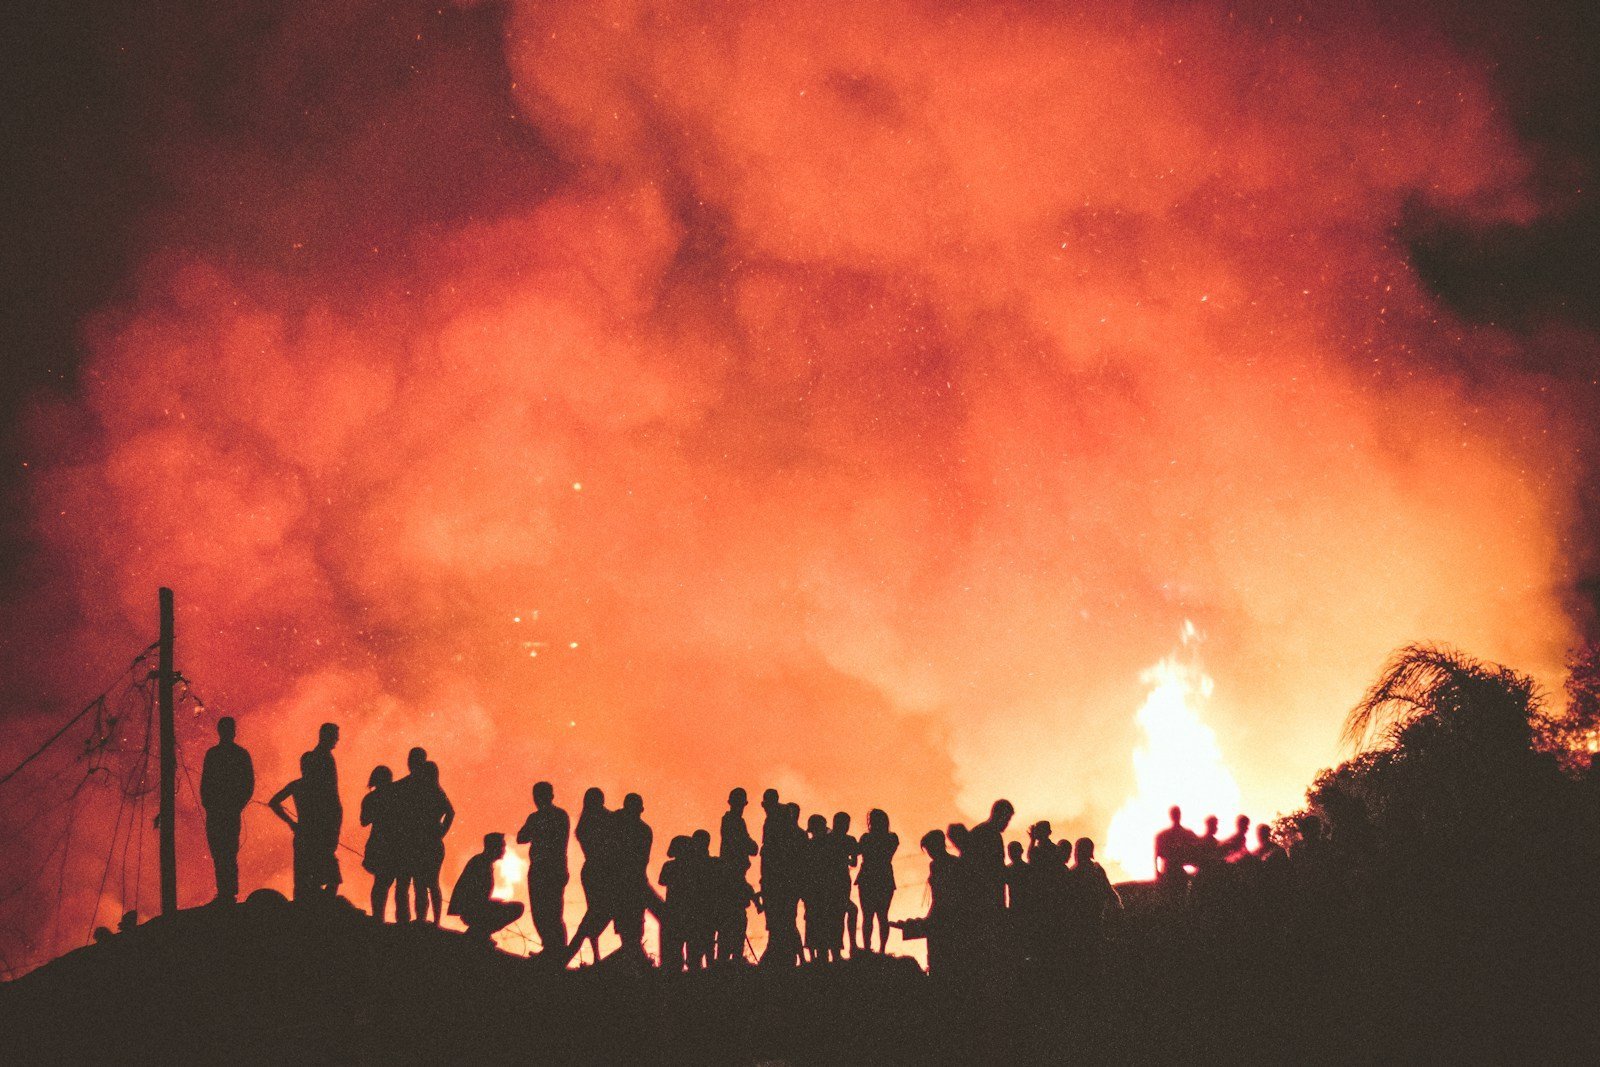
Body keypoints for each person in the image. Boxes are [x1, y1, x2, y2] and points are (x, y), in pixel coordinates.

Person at [268, 752, 339, 900]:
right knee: (330, 876)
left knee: (302, 879)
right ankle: (322, 907)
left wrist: (291, 823)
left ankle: (304, 911)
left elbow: (274, 802)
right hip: (319, 835)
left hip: (303, 835)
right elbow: (332, 810)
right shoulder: (321, 787)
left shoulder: (296, 785)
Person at [199, 716, 254, 904]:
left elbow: (206, 783)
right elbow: (248, 784)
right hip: (223, 810)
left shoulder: (214, 754)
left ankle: (227, 892)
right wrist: (235, 804)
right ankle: (226, 891)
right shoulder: (239, 754)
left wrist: (231, 805)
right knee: (224, 851)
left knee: (224, 851)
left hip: (222, 811)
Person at [516, 781, 570, 960]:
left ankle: (553, 950)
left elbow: (522, 837)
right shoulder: (561, 816)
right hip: (554, 868)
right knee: (553, 912)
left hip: (543, 869)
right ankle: (557, 951)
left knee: (544, 911)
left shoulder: (536, 818)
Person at [566, 787, 615, 964]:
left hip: (590, 870)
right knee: (604, 910)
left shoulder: (584, 823)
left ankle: (593, 953)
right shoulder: (608, 818)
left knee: (594, 911)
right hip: (603, 871)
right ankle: (587, 948)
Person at [449, 833, 524, 943]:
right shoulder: (480, 864)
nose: (504, 850)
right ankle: (480, 932)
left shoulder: (482, 862)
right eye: (502, 847)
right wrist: (491, 903)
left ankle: (480, 932)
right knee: (517, 908)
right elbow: (473, 895)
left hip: (473, 908)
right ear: (494, 848)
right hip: (471, 910)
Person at [610, 793, 654, 960]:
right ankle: (636, 961)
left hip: (625, 883)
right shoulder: (644, 830)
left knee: (628, 928)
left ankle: (635, 961)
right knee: (633, 927)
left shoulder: (619, 825)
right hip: (634, 882)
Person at [411, 760, 454, 924]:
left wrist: (441, 832)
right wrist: (441, 831)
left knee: (422, 884)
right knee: (430, 884)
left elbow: (451, 812)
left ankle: (424, 918)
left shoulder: (430, 792)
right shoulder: (436, 792)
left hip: (425, 843)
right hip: (431, 843)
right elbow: (450, 812)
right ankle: (432, 920)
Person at [361, 765, 402, 921]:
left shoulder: (370, 798)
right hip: (394, 843)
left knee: (380, 882)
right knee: (390, 882)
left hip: (377, 842)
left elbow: (364, 821)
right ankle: (387, 918)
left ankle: (379, 916)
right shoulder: (396, 796)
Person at [856, 809, 898, 955]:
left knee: (867, 916)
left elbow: (858, 851)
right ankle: (882, 950)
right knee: (882, 916)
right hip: (884, 877)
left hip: (867, 877)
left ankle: (868, 948)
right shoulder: (892, 838)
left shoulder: (866, 838)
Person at [1154, 805, 1194, 900]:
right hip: (1174, 872)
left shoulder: (1162, 835)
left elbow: (1157, 855)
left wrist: (1158, 872)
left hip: (1169, 872)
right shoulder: (1187, 834)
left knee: (1171, 900)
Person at [720, 788, 758, 873]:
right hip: (733, 870)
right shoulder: (731, 821)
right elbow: (742, 841)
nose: (739, 807)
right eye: (738, 804)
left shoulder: (737, 821)